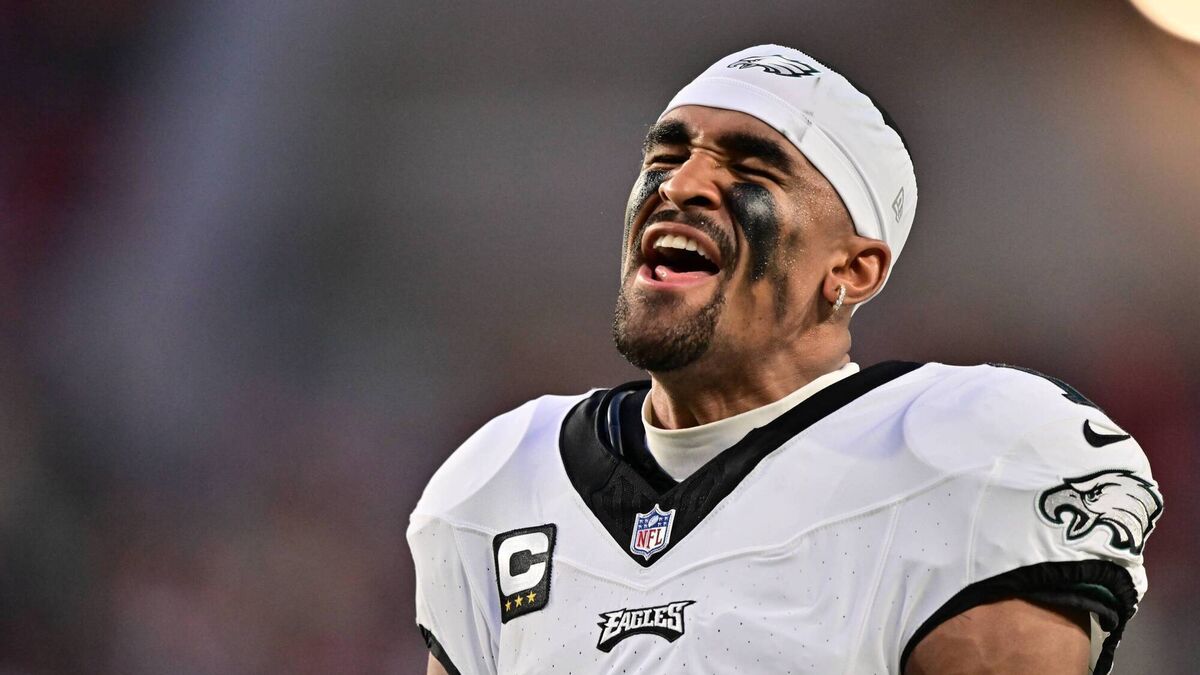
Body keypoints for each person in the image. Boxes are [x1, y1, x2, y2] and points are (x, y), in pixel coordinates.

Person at [407, 45, 1162, 674]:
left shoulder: (972, 455)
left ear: (853, 268)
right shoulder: (501, 482)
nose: (681, 184)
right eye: (667, 154)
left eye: (750, 168)